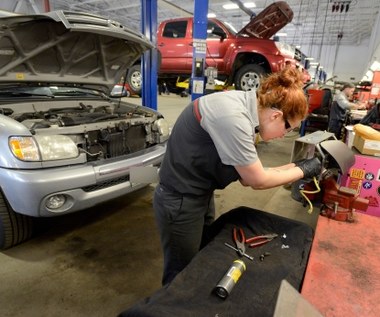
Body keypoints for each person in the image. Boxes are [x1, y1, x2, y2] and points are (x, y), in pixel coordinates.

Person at [153, 67, 322, 285]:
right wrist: (304, 170)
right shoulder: (233, 118)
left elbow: (251, 172)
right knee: (179, 275)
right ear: (276, 115)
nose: (284, 135)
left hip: (199, 194)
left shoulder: (247, 109)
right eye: (288, 129)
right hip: (179, 200)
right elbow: (256, 180)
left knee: (200, 256)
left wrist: (295, 165)